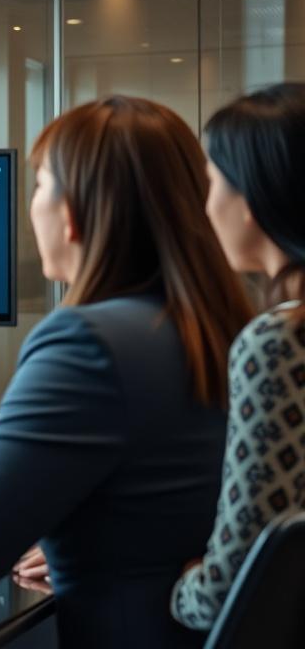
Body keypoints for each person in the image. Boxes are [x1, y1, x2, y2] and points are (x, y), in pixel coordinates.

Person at [0, 95, 254, 648]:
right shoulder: (215, 327)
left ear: (73, 213)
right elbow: (151, 495)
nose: (31, 206)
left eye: (39, 186)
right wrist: (16, 441)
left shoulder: (85, 343)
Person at [171, 83, 305, 630]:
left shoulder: (279, 342)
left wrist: (156, 582)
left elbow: (229, 588)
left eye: (211, 183)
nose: (205, 206)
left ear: (251, 197)